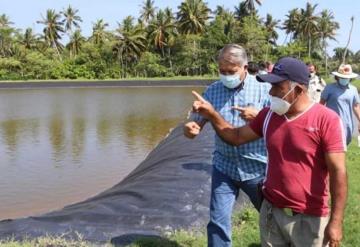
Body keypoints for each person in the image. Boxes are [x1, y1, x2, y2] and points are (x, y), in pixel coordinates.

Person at [192, 57, 347, 247]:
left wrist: (336, 221)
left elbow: (338, 172)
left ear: (298, 89)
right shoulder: (268, 116)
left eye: (277, 87)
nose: (271, 92)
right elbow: (236, 137)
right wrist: (213, 115)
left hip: (310, 217)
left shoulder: (326, 120)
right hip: (272, 213)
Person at [183, 44, 270, 247]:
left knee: (271, 218)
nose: (226, 76)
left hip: (257, 168)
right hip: (224, 167)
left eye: (231, 72)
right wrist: (190, 128)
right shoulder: (213, 91)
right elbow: (196, 122)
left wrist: (258, 116)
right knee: (218, 221)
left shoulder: (264, 90)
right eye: (222, 71)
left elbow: (281, 124)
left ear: (245, 68)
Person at [320, 64, 360, 145]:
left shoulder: (353, 90)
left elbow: (356, 106)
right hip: (331, 123)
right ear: (338, 77)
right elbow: (321, 104)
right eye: (343, 77)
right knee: (331, 147)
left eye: (346, 78)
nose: (344, 79)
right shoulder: (329, 88)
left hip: (347, 124)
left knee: (344, 147)